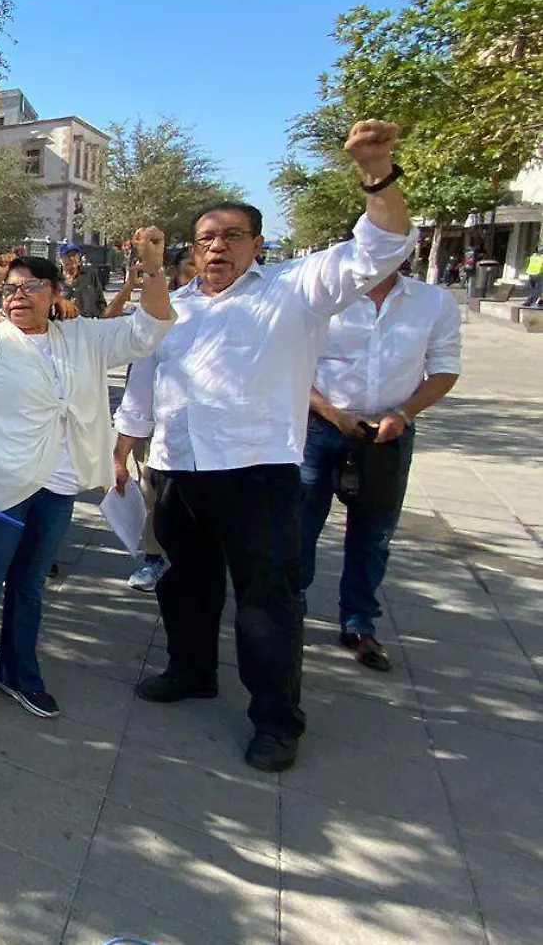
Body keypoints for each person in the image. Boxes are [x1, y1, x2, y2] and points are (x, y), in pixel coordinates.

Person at [114, 120, 413, 773]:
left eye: (229, 236)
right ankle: (191, 670)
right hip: (176, 471)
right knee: (182, 586)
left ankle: (276, 720)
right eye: (205, 239)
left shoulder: (296, 290)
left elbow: (382, 246)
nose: (215, 247)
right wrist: (124, 447)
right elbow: (146, 375)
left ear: (257, 243)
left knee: (266, 604)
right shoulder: (176, 306)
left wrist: (377, 170)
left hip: (258, 476)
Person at [0, 240, 174, 720]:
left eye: (31, 287)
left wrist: (152, 269)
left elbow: (150, 331)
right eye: (11, 289)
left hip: (58, 487)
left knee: (30, 585)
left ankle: (19, 675)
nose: (18, 296)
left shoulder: (81, 336)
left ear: (56, 291)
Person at [300, 264, 460, 672]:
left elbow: (444, 369)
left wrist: (404, 414)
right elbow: (293, 364)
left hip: (388, 434)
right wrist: (332, 413)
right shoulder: (324, 299)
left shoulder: (432, 302)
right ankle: (288, 612)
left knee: (373, 534)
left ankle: (359, 624)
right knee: (298, 527)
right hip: (320, 428)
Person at [124, 246, 200, 592]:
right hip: (161, 429)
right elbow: (140, 379)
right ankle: (155, 560)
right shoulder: (163, 312)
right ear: (176, 271)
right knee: (152, 496)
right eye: (189, 266)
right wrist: (124, 442)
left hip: (216, 439)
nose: (198, 272)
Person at [56, 244, 106, 319]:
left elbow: (100, 300)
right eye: (68, 256)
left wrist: (103, 319)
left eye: (75, 255)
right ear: (60, 259)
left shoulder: (90, 275)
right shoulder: (54, 278)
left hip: (90, 322)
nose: (72, 258)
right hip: (66, 324)